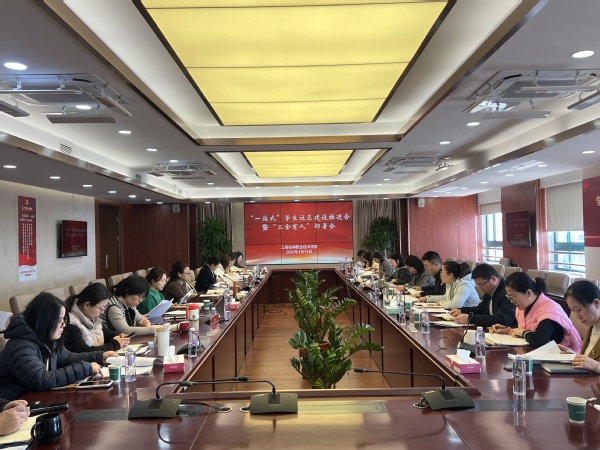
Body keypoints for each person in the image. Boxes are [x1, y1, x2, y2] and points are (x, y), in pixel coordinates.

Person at [0, 293, 111, 401]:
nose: (64, 325)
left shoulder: (46, 338)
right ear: (44, 321)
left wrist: (99, 356)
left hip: (37, 400)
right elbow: (40, 380)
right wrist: (85, 368)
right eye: (59, 321)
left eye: (64, 320)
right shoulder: (20, 346)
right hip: (16, 405)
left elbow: (67, 358)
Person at [490, 272, 581, 351]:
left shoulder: (548, 310)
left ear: (528, 293)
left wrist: (521, 332)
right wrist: (508, 330)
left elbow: (539, 340)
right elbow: (527, 328)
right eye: (509, 297)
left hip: (564, 356)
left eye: (513, 297)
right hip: (539, 353)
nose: (511, 301)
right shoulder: (524, 306)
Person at [64, 283, 130, 353]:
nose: (103, 312)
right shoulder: (71, 325)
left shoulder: (92, 318)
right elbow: (85, 352)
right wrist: (115, 344)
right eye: (101, 308)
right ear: (87, 305)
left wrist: (119, 336)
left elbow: (108, 334)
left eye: (104, 308)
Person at [450, 263, 516, 326]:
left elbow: (503, 319)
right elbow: (480, 310)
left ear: (493, 279)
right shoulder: (489, 291)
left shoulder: (507, 292)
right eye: (478, 285)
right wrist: (461, 310)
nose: (480, 288)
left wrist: (471, 319)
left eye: (482, 284)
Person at [565, 280, 600, 372]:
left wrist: (596, 366)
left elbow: (593, 363)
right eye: (573, 310)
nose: (577, 316)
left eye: (578, 309)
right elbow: (590, 358)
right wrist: (574, 356)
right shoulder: (593, 326)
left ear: (596, 303)